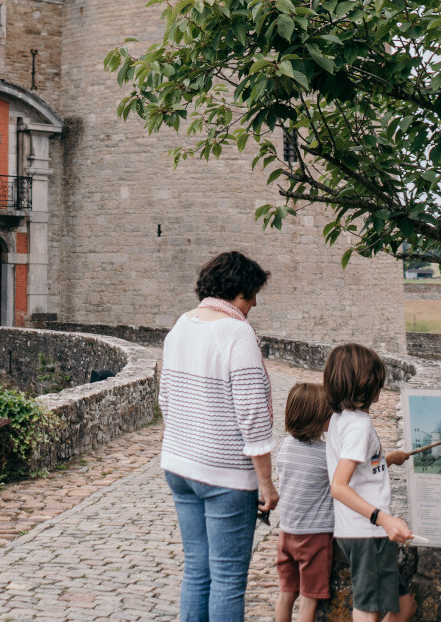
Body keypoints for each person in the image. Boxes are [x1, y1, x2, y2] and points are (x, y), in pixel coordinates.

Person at [160, 250, 278, 622]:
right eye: (253, 294)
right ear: (239, 290)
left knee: (197, 570)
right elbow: (253, 414)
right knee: (228, 578)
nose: (255, 302)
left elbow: (166, 398)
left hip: (179, 465)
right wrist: (266, 484)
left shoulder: (180, 326)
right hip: (224, 475)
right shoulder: (236, 331)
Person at [324, 343, 415, 622]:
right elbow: (339, 486)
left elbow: (359, 468)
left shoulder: (340, 419)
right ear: (366, 385)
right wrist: (383, 519)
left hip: (356, 531)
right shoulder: (358, 425)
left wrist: (387, 459)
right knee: (368, 612)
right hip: (368, 532)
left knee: (405, 606)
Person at [272, 383, 335, 622]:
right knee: (309, 599)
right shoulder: (326, 453)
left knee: (285, 594)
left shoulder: (284, 447)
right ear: (318, 417)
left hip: (286, 534)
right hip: (314, 537)